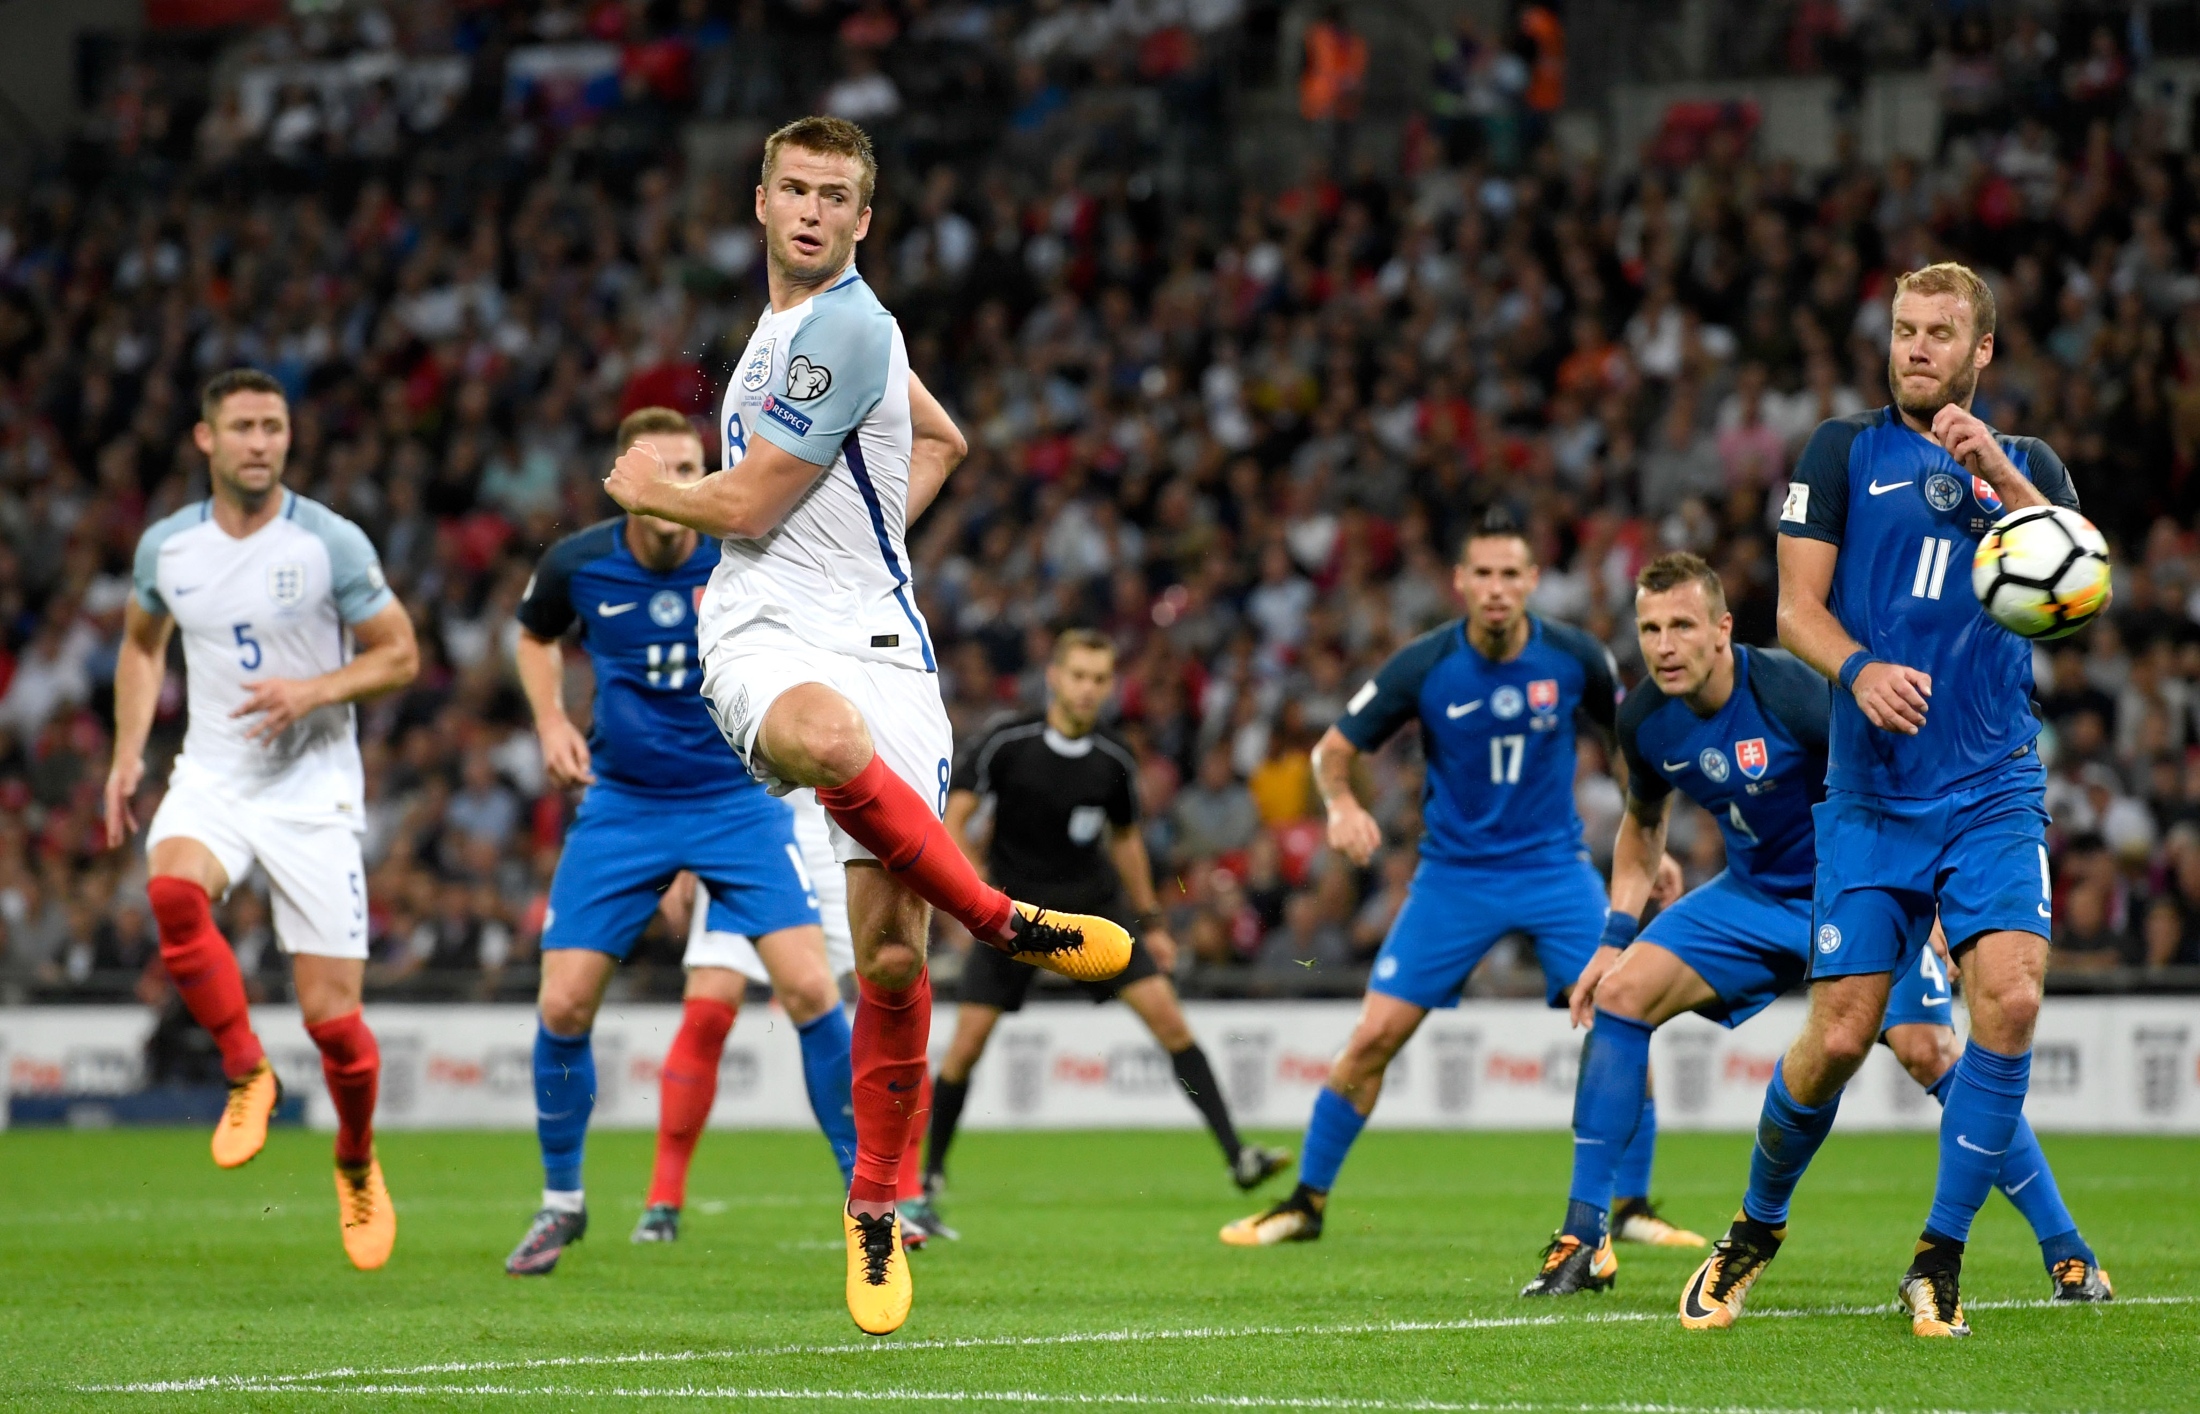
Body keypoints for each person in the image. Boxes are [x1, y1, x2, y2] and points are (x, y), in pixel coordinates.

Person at [602, 115, 1130, 1336]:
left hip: (884, 644)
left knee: (890, 957)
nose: (810, 211)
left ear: (861, 220)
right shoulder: (797, 335)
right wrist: (864, 541)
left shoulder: (846, 322)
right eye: (793, 189)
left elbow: (740, 499)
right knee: (825, 740)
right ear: (761, 199)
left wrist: (650, 490)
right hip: (763, 636)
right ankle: (1003, 916)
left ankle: (877, 1208)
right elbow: (940, 442)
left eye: (834, 196)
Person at [1680, 262, 2092, 1338]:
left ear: (1980, 350)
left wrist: (1995, 467)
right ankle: (1752, 1230)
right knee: (1840, 1032)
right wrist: (1859, 669)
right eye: (1903, 328)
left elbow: (2078, 586)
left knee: (2005, 998)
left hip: (1994, 782)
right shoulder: (1838, 451)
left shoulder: (2030, 468)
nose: (1914, 346)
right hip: (1870, 795)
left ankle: (1938, 1255)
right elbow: (1793, 610)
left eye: (1938, 332)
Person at [1531, 552, 2105, 1303]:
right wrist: (1613, 936)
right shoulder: (1645, 718)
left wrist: (1929, 900)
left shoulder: (1791, 692)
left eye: (1681, 626)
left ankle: (2067, 1250)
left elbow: (1896, 777)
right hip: (1753, 894)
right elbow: (1642, 824)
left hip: (1858, 890)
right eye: (1649, 628)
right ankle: (1584, 1237)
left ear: (1721, 630)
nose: (1663, 645)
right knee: (1621, 994)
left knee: (1932, 1050)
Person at [1220, 510, 1649, 1249]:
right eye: (1481, 574)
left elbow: (1628, 750)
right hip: (1454, 878)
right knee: (1373, 1036)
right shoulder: (1422, 666)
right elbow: (1332, 750)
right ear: (1459, 582)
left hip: (1555, 868)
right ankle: (1305, 1203)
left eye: (1510, 574)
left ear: (1533, 581)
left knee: (1624, 1014)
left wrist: (1651, 841)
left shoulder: (1577, 657)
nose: (1495, 588)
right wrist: (1344, 803)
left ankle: (1633, 1210)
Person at [502, 407, 854, 1276]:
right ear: (626, 479)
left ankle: (867, 1202)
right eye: (658, 469)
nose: (675, 485)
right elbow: (535, 636)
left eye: (691, 467)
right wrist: (550, 720)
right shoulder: (579, 563)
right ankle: (562, 1203)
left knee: (812, 988)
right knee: (563, 1006)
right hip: (623, 804)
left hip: (737, 801)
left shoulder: (748, 551)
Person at [103, 368, 420, 1270]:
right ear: (206, 439)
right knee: (170, 889)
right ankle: (247, 1070)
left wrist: (313, 689)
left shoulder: (329, 542)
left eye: (272, 427)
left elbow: (401, 654)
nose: (258, 442)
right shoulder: (168, 548)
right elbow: (139, 643)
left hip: (313, 794)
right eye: (241, 426)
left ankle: (355, 1162)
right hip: (214, 775)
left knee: (338, 1029)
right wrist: (129, 751)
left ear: (288, 437)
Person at [922, 629, 1291, 1220]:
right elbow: (953, 821)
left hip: (1097, 918)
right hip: (1015, 917)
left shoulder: (1114, 759)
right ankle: (931, 1176)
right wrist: (982, 900)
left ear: (1110, 685)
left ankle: (1238, 1154)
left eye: (1099, 679)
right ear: (1055, 677)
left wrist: (1154, 922)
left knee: (1170, 1022)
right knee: (964, 1048)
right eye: (1079, 675)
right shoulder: (1006, 742)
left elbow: (1127, 843)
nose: (1088, 688)